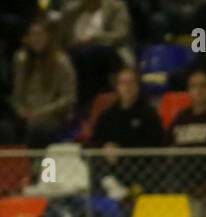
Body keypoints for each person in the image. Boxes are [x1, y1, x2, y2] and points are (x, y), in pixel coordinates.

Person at [89, 66, 165, 198]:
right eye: (123, 83)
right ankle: (111, 186)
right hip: (110, 165)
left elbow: (155, 144)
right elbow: (95, 141)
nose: (127, 87)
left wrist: (122, 152)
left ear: (138, 86)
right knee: (92, 162)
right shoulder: (107, 116)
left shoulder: (149, 115)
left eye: (131, 83)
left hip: (138, 166)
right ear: (117, 87)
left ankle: (118, 190)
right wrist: (105, 148)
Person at [10, 19, 76, 151]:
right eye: (33, 35)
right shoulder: (21, 60)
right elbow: (17, 95)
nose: (36, 39)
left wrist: (40, 113)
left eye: (40, 34)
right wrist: (20, 110)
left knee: (37, 128)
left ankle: (37, 169)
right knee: (5, 129)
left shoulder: (61, 62)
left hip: (53, 116)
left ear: (48, 36)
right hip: (27, 115)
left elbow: (69, 97)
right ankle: (14, 170)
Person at [56, 0, 133, 111]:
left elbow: (121, 34)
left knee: (88, 53)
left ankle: (89, 105)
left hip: (110, 51)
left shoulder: (115, 6)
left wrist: (94, 38)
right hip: (75, 54)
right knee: (73, 57)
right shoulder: (71, 12)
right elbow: (61, 40)